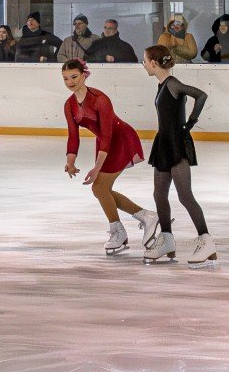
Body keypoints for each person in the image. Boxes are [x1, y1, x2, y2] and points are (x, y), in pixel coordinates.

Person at [60, 59, 157, 255]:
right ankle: (146, 217)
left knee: (99, 187)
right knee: (103, 190)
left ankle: (120, 230)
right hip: (104, 143)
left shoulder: (100, 99)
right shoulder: (69, 105)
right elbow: (73, 136)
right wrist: (70, 161)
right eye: (65, 79)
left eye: (74, 77)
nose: (70, 82)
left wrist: (97, 167)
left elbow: (107, 135)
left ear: (84, 75)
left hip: (119, 139)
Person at [140, 45, 218, 266]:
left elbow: (201, 95)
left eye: (145, 60)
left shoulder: (172, 84)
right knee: (159, 194)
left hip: (176, 143)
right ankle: (166, 240)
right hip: (164, 143)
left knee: (185, 196)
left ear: (153, 63)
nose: (144, 64)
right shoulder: (162, 85)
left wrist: (190, 124)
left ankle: (206, 241)